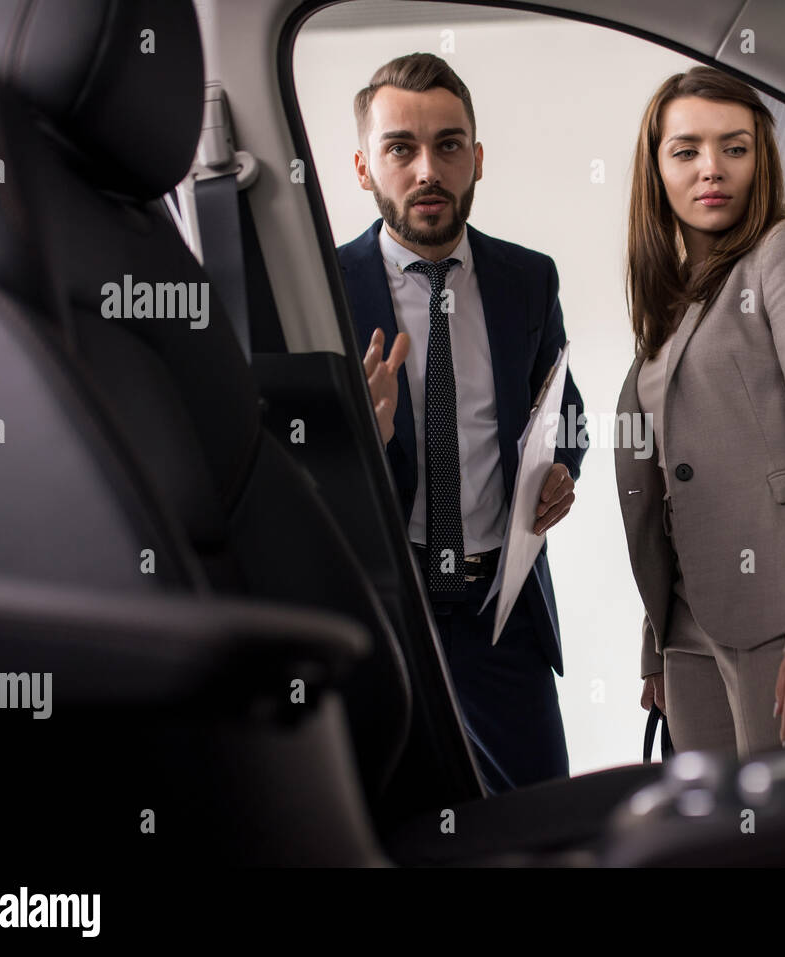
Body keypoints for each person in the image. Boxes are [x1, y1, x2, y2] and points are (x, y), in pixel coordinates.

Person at [337, 53, 586, 792]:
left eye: (448, 146)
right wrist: (364, 440)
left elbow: (563, 410)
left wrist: (564, 470)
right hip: (387, 613)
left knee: (541, 822)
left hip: (500, 615)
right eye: (399, 149)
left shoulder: (528, 279)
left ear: (476, 159)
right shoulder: (319, 285)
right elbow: (291, 473)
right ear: (362, 167)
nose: (426, 171)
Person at [617, 66, 785, 758]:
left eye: (735, 147)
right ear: (656, 168)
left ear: (760, 157)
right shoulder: (674, 303)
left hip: (780, 613)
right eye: (687, 150)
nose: (713, 169)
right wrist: (657, 642)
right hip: (688, 629)